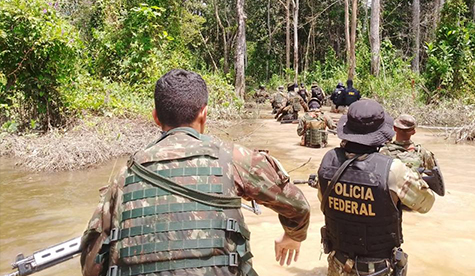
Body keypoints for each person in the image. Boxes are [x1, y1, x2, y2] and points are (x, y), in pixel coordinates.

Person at [80, 69, 310, 276]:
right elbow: (298, 206)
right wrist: (292, 236)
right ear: (204, 114)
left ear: (156, 117)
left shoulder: (125, 175)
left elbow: (91, 265)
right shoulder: (233, 158)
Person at [317, 100, 434, 276]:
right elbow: (426, 204)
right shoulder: (393, 169)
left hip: (338, 264)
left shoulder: (328, 160)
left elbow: (324, 200)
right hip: (378, 269)